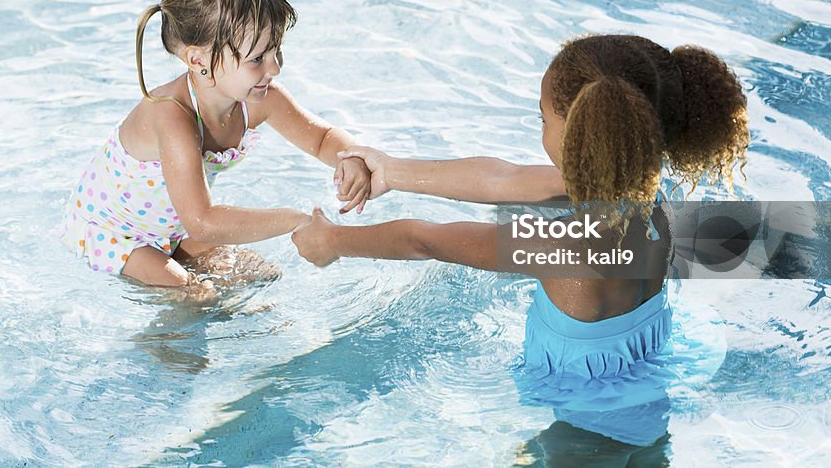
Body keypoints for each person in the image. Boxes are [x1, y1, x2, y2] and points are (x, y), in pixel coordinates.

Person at [291, 34, 748, 440]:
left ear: (585, 138)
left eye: (544, 120)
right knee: (645, 450)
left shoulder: (565, 245)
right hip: (646, 363)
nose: (542, 131)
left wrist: (333, 241)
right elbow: (501, 178)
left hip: (588, 406)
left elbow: (423, 239)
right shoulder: (650, 195)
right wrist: (391, 170)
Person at [60, 0, 371, 292]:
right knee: (196, 296)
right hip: (114, 232)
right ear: (197, 59)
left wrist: (352, 156)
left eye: (276, 50)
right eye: (257, 59)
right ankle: (158, 345)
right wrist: (296, 219)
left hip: (174, 229)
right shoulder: (172, 116)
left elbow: (323, 139)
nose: (275, 68)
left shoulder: (261, 98)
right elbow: (203, 223)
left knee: (262, 276)